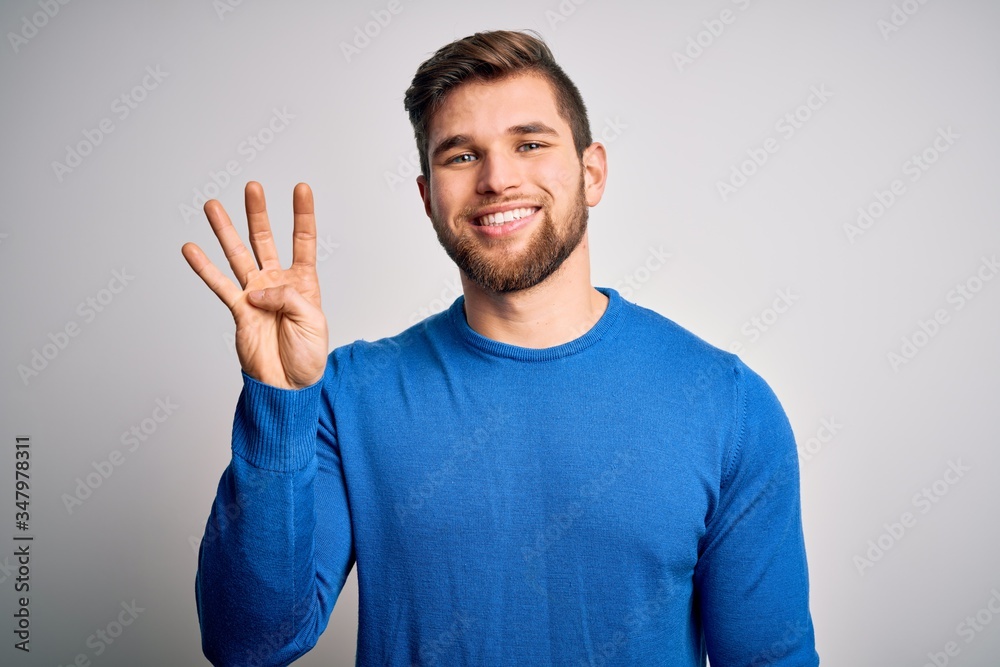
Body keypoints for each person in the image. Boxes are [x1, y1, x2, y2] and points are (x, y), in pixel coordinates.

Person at [183, 29, 819, 666]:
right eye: (461, 156)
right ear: (429, 198)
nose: (497, 178)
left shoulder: (727, 405)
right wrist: (279, 402)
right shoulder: (346, 394)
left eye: (530, 144)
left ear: (591, 172)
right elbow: (249, 645)